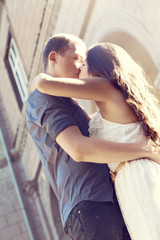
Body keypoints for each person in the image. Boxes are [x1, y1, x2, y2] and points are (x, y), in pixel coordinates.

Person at [26, 34, 160, 240]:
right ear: (54, 57)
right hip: (89, 203)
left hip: (111, 198)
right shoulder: (43, 97)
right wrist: (144, 150)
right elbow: (79, 149)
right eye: (77, 58)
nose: (80, 66)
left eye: (84, 61)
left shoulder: (92, 94)